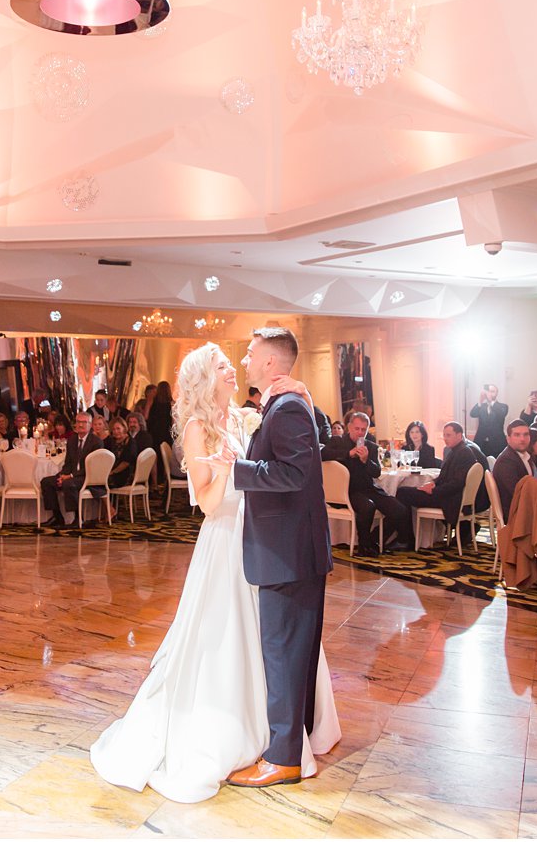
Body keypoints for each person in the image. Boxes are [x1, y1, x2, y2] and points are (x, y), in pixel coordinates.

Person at [90, 340, 339, 801]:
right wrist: (229, 471)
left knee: (274, 642)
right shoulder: (197, 427)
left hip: (262, 537)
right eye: (224, 365)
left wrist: (302, 397)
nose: (233, 368)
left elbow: (288, 453)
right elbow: (205, 503)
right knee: (228, 639)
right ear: (206, 378)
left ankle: (279, 735)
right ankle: (239, 732)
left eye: (234, 361)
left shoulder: (247, 416)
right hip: (225, 538)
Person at [197, 329, 338, 790]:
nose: (245, 359)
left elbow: (296, 475)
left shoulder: (289, 406)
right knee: (291, 653)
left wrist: (234, 471)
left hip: (287, 553)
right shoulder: (286, 403)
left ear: (272, 363)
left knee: (283, 653)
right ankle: (296, 743)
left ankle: (282, 759)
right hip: (291, 551)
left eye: (252, 353)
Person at [322, 411, 412, 555]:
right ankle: (364, 546)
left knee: (400, 510)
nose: (360, 433)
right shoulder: (337, 442)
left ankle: (372, 539)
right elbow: (322, 455)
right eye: (357, 429)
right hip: (348, 491)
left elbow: (376, 472)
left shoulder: (371, 446)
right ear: (349, 427)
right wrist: (348, 454)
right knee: (367, 506)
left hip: (368, 488)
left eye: (363, 430)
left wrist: (365, 461)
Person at [395, 422, 489, 533]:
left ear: (459, 436)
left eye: (448, 435)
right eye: (444, 435)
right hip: (446, 495)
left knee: (402, 493)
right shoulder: (457, 450)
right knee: (404, 492)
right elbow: (445, 476)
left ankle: (406, 538)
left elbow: (457, 483)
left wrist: (434, 490)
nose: (445, 438)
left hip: (449, 499)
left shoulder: (464, 453)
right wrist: (433, 483)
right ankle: (464, 528)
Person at [39, 412, 105, 528]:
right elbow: (68, 463)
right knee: (46, 482)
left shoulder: (96, 442)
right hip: (71, 475)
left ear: (90, 425)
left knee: (69, 483)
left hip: (87, 476)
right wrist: (62, 475)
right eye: (78, 422)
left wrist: (70, 476)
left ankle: (78, 518)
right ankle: (57, 517)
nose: (80, 425)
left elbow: (91, 468)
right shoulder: (72, 440)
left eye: (84, 422)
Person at [491, 420, 537, 518]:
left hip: (525, 508)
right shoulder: (506, 461)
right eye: (517, 435)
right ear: (508, 439)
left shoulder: (526, 456)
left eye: (526, 434)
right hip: (515, 513)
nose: (522, 439)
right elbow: (517, 492)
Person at [468, 384, 508, 460]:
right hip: (481, 441)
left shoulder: (503, 406)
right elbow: (473, 414)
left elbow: (501, 414)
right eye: (488, 391)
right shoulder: (481, 406)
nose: (489, 393)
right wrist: (480, 401)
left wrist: (491, 401)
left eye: (492, 391)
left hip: (497, 442)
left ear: (496, 393)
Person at [106, 417, 139, 488]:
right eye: (113, 429)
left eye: (118, 428)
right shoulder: (111, 441)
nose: (116, 431)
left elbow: (126, 463)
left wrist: (112, 472)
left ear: (124, 428)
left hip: (125, 474)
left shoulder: (131, 442)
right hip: (112, 472)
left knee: (102, 481)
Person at [148, 381, 175, 453]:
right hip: (166, 432)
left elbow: (147, 416)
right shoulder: (172, 404)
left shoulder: (154, 403)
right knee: (165, 454)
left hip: (154, 432)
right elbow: (173, 422)